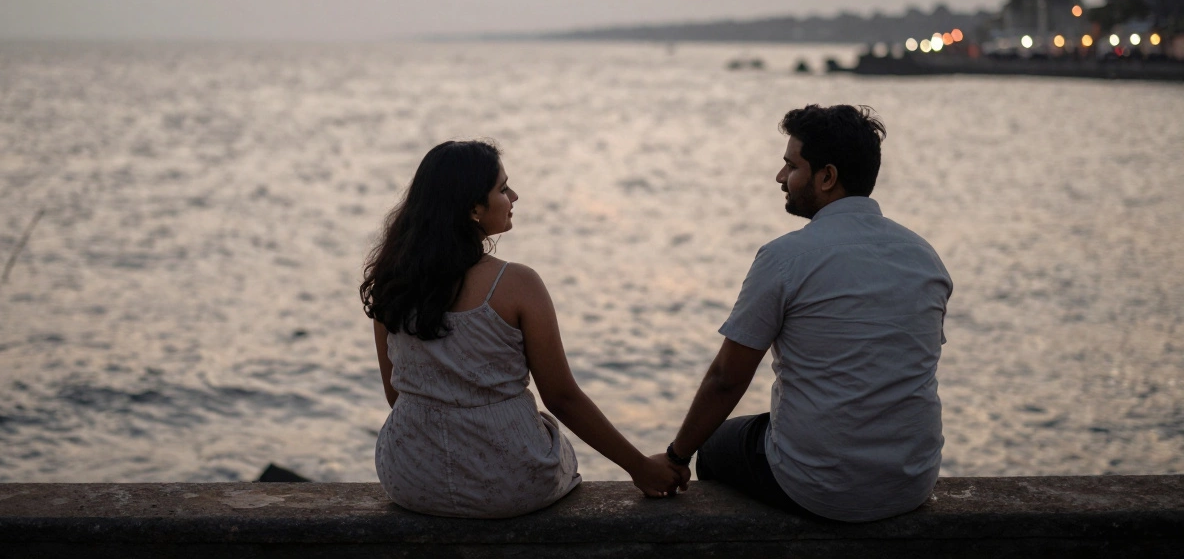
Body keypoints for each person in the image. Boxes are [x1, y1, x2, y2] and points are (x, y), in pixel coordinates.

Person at [652, 104, 953, 522]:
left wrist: (674, 456)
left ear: (827, 177)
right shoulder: (925, 256)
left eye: (791, 166)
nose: (780, 179)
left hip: (819, 490)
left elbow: (726, 378)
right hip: (912, 482)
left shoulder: (785, 258)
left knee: (715, 446)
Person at [362, 140, 681, 518]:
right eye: (502, 189)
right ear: (473, 209)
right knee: (549, 439)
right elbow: (561, 397)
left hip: (411, 479)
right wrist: (640, 467)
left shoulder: (392, 280)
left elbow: (394, 395)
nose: (514, 195)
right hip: (507, 484)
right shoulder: (517, 284)